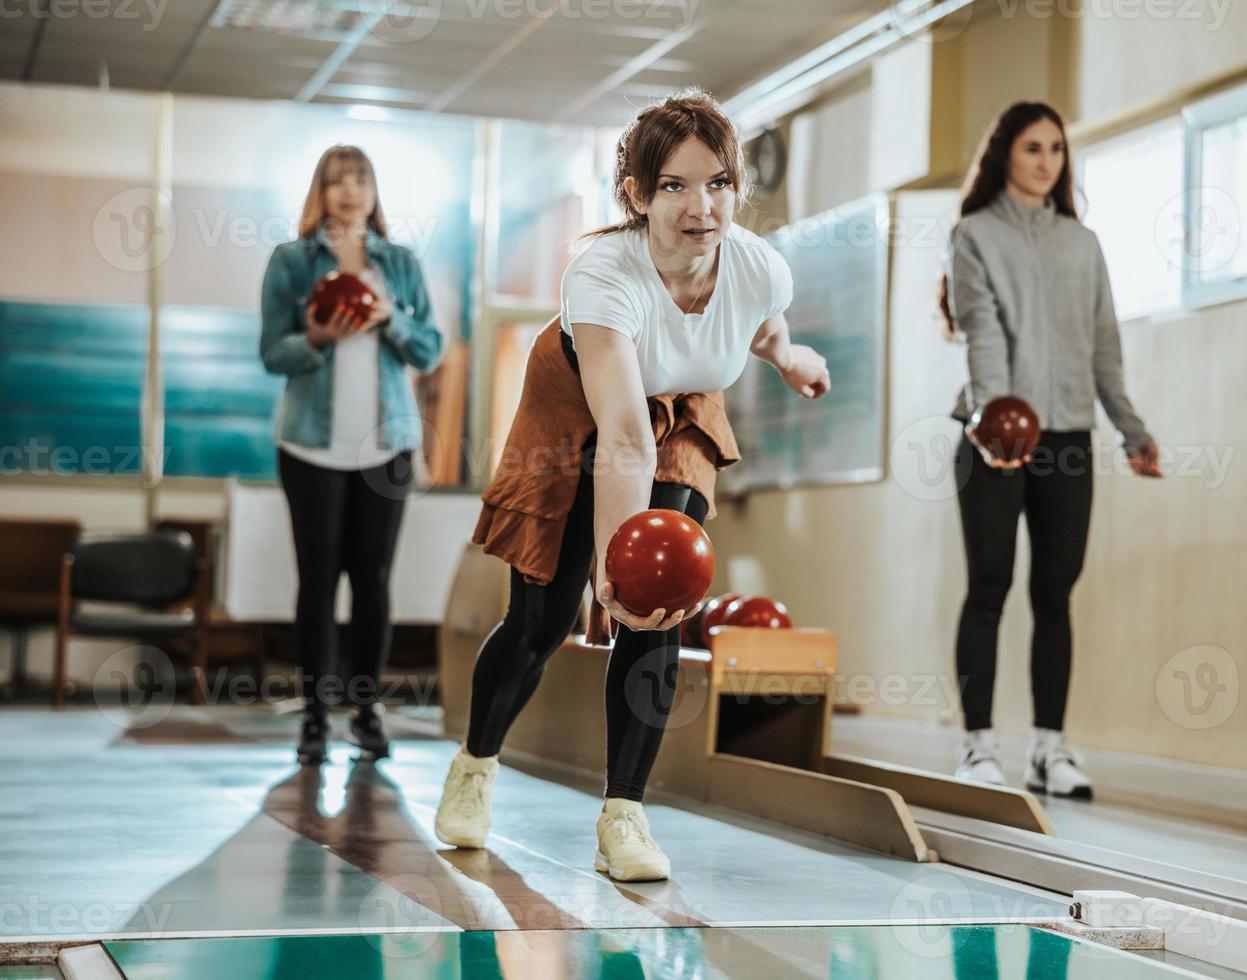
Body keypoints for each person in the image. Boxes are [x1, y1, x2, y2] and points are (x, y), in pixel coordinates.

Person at [433, 90, 831, 882]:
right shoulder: (604, 277)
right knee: (543, 620)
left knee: (662, 602)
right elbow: (620, 435)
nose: (701, 206)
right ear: (639, 196)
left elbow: (762, 322)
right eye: (675, 186)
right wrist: (609, 573)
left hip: (681, 409)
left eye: (718, 183)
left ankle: (625, 816)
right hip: (582, 404)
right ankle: (475, 765)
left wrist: (787, 357)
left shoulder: (758, 265)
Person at [940, 102, 1163, 799]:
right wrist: (999, 421)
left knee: (1055, 594)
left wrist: (1132, 431)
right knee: (990, 585)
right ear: (1006, 152)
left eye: (1056, 150)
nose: (1046, 161)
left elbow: (1105, 348)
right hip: (995, 435)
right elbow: (982, 333)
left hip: (1068, 439)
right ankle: (978, 745)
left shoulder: (1082, 243)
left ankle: (1048, 750)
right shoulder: (973, 234)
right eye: (1033, 147)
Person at [259, 145, 443, 766]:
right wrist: (315, 336)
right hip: (309, 445)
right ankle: (314, 716)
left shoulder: (400, 263)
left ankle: (365, 712)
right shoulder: (291, 261)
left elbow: (430, 350)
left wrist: (391, 319)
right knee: (318, 581)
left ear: (374, 190)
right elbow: (271, 353)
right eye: (337, 180)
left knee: (373, 581)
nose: (349, 189)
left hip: (386, 448)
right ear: (321, 190)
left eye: (360, 178)